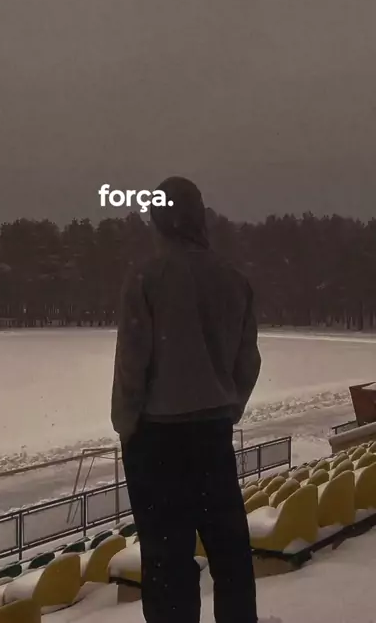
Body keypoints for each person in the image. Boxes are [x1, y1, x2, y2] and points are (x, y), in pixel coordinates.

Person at [111, 176, 261, 623]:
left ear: (159, 219)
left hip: (157, 439)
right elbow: (248, 361)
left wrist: (127, 426)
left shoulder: (146, 278)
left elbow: (132, 365)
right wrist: (226, 407)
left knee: (167, 562)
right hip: (213, 435)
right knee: (230, 554)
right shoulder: (233, 280)